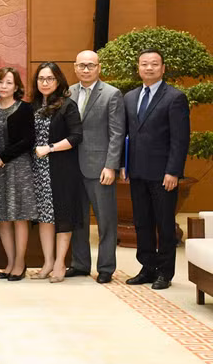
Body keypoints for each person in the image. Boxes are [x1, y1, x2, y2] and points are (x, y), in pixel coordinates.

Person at [122, 48, 190, 290]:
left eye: (154, 64)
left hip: (163, 175)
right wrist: (124, 164)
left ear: (163, 68)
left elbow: (180, 139)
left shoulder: (175, 97)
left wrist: (173, 171)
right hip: (137, 172)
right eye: (144, 64)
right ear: (138, 68)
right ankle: (147, 267)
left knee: (164, 224)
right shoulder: (129, 97)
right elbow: (126, 135)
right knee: (142, 222)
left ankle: (165, 272)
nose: (148, 68)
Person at [67, 51, 125, 284]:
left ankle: (106, 267)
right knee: (77, 219)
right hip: (72, 168)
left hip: (100, 168)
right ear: (75, 67)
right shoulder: (67, 92)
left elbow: (117, 133)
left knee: (106, 221)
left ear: (99, 68)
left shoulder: (111, 94)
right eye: (81, 65)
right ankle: (80, 264)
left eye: (91, 65)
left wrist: (111, 166)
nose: (86, 69)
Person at [30, 62, 84, 283]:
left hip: (61, 168)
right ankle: (48, 262)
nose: (45, 83)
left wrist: (50, 148)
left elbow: (75, 136)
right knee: (45, 217)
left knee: (62, 216)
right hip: (37, 170)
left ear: (59, 81)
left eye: (49, 79)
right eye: (41, 79)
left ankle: (61, 263)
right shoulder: (33, 106)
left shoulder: (67, 106)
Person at [0, 67, 37, 282]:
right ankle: (9, 261)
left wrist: (3, 157)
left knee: (19, 216)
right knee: (3, 218)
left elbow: (28, 140)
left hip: (19, 167)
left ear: (16, 86)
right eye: (0, 82)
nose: (3, 86)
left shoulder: (25, 108)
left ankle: (20, 263)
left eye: (8, 83)